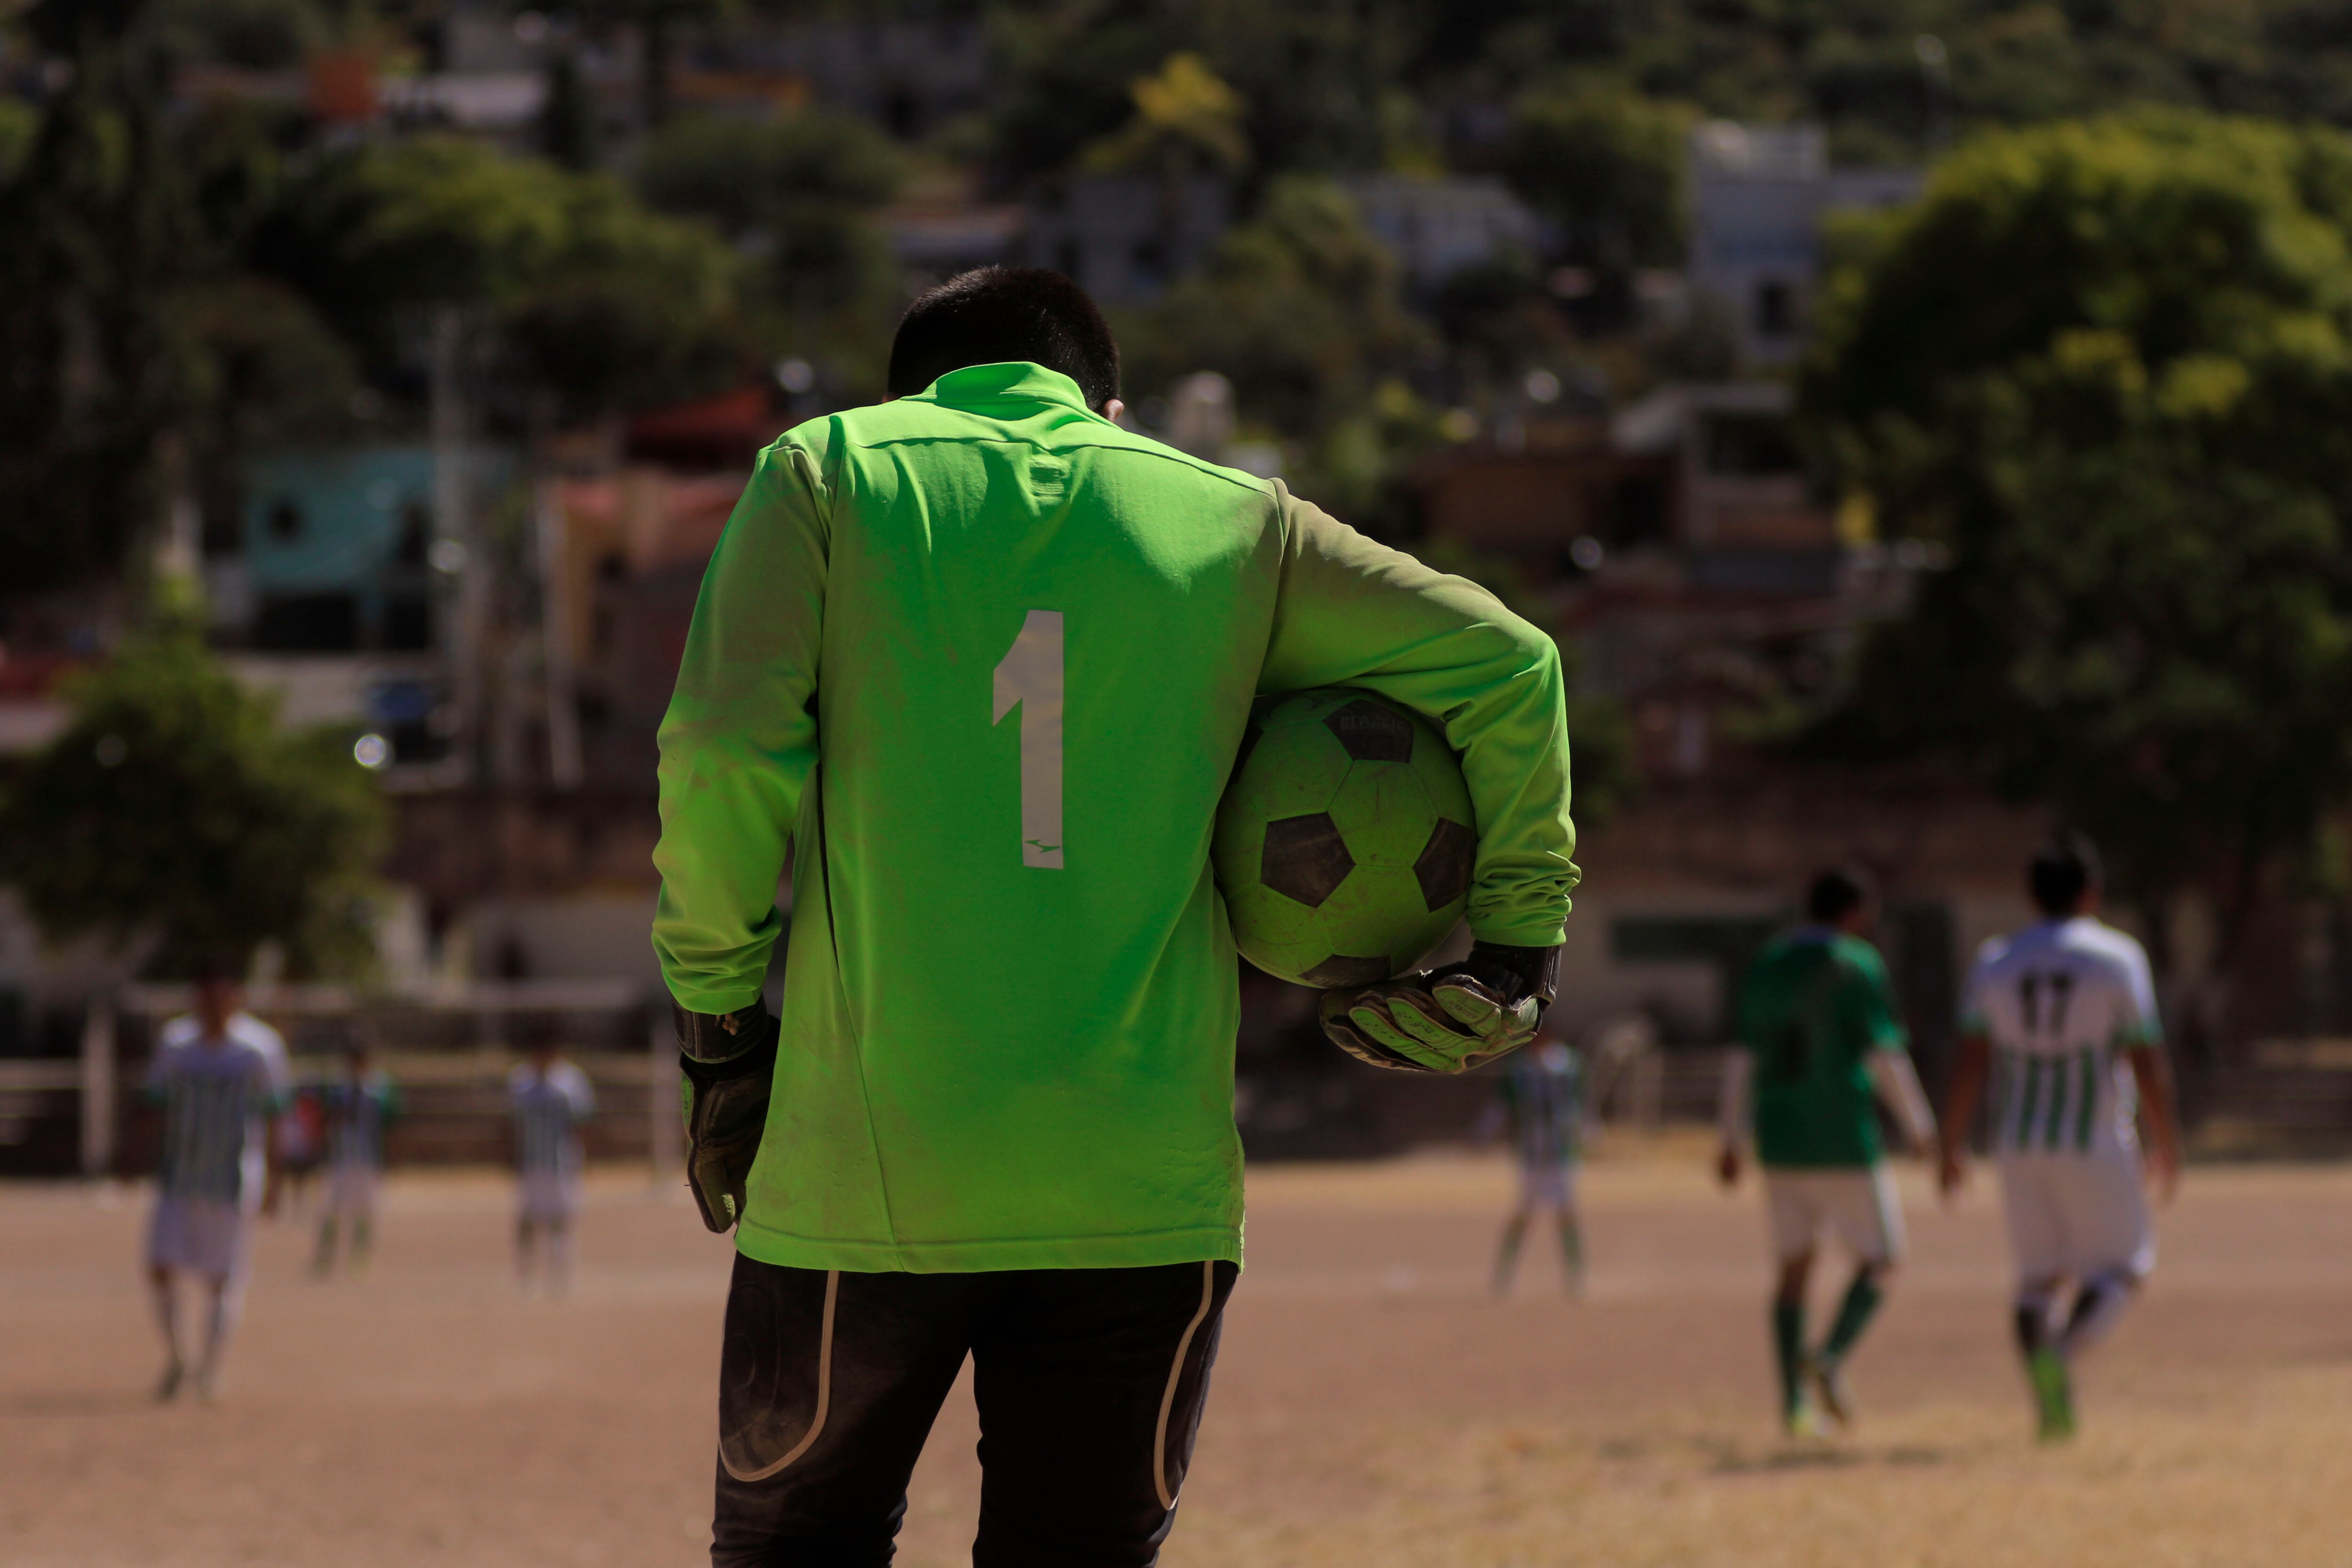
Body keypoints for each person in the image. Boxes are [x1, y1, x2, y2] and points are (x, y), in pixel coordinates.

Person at [652, 266, 1578, 1566]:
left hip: (859, 1181)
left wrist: (719, 1027)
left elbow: (719, 757)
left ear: (909, 397)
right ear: (1112, 404)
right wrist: (1517, 944)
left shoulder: (831, 475)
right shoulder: (1235, 523)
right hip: (1143, 1190)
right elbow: (1511, 662)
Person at [1938, 834, 2182, 1442]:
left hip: (2017, 1141)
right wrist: (2167, 1140)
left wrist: (1951, 1144)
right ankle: (2063, 1356)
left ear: (2030, 894)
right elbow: (2147, 1059)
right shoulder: (2115, 957)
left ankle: (2050, 1399)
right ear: (2091, 892)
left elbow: (1971, 1060)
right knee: (2123, 1268)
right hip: (2095, 1137)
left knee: (2037, 1279)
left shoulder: (1996, 960)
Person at [1717, 867, 1937, 1435]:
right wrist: (1919, 1126)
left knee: (1793, 1269)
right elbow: (1882, 1054)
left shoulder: (1765, 966)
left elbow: (1741, 1056)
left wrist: (1729, 1136)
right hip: (1842, 1138)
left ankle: (1791, 1403)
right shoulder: (1856, 964)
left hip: (1781, 1139)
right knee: (1882, 1260)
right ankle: (1830, 1354)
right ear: (1854, 912)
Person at [143, 961, 289, 1402]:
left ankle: (210, 1369)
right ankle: (178, 1356)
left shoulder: (258, 1049)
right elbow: (155, 1101)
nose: (211, 1005)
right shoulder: (176, 1044)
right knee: (160, 1265)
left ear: (236, 997)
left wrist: (276, 1181)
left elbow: (276, 1112)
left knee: (221, 1279)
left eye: (220, 995)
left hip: (231, 1178)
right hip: (179, 1176)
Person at [1479, 1031, 1587, 1296]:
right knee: (1523, 1215)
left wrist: (1588, 1133)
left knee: (1566, 1214)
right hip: (1531, 1156)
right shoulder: (1519, 1071)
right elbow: (1501, 1106)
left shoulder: (1569, 1067)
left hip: (1560, 1154)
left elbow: (1581, 1105)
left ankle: (1575, 1278)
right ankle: (1504, 1276)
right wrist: (1483, 1134)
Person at [508, 1041, 595, 1296]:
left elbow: (583, 1123)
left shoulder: (570, 1083)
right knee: (526, 1219)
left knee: (561, 1219)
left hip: (561, 1162)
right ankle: (526, 1274)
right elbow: (512, 1125)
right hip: (531, 1161)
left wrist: (584, 1158)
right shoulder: (520, 1082)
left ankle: (560, 1273)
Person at [312, 1040, 402, 1277]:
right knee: (331, 1206)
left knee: (366, 1208)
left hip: (369, 1156)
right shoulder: (335, 1086)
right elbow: (324, 1119)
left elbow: (390, 1124)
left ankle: (359, 1255)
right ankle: (325, 1254)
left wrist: (390, 1156)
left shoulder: (381, 1087)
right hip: (340, 1155)